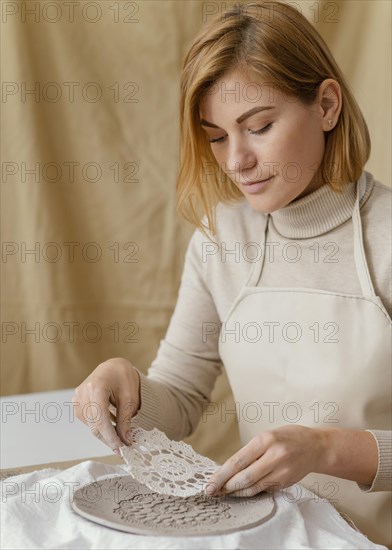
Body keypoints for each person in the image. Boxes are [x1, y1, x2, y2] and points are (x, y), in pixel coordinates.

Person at [72, 1, 391, 546]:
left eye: (258, 127)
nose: (236, 160)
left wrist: (327, 449)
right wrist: (128, 387)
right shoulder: (221, 241)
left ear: (327, 105)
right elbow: (179, 399)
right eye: (216, 136)